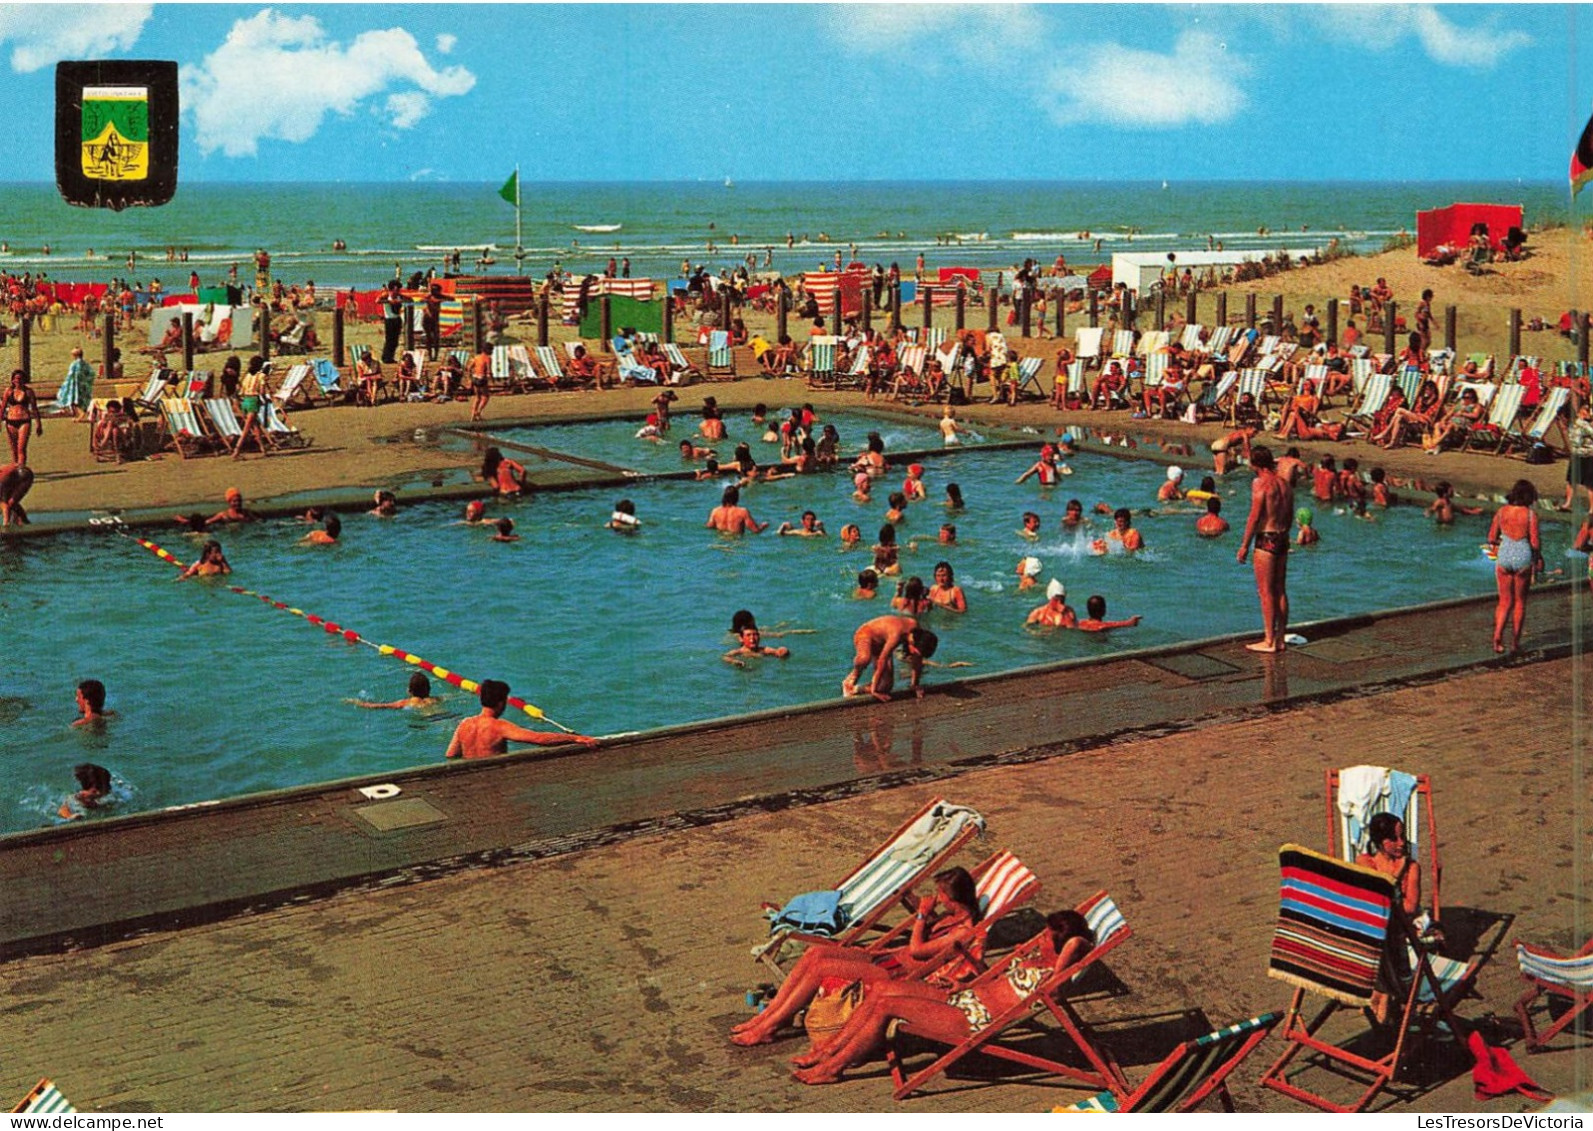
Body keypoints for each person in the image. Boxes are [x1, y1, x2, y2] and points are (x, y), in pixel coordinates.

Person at [788, 909, 1095, 1085]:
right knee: (881, 990)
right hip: (963, 997)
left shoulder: (1055, 976)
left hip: (973, 1020)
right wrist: (962, 986)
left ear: (1063, 946)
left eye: (1046, 937)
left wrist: (1073, 944)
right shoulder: (1035, 958)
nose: (1039, 939)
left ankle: (831, 1069)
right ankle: (827, 1050)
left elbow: (1073, 950)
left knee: (886, 1006)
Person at [731, 866, 988, 1048]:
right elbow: (930, 929)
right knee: (815, 952)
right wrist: (912, 899)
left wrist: (920, 916)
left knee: (822, 968)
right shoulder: (952, 916)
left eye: (942, 894)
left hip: (896, 973)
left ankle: (769, 1027)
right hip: (885, 957)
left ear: (954, 899)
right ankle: (767, 1017)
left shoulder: (963, 932)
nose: (938, 898)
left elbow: (917, 950)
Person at [444, 679, 599, 759]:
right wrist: (575, 738)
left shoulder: (464, 724)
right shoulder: (499, 726)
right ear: (500, 703)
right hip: (494, 776)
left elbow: (450, 755)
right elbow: (539, 738)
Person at [1237, 445, 1293, 652]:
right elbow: (1289, 514)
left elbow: (1254, 516)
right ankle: (1280, 638)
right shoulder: (1285, 485)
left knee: (1265, 592)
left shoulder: (1260, 484)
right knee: (1280, 590)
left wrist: (1244, 545)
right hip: (1282, 537)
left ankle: (1269, 640)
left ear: (1255, 464)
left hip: (1266, 539)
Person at [1487, 479, 1542, 654]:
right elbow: (1534, 542)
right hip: (1522, 554)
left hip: (1505, 553)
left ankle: (1497, 637)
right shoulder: (1530, 515)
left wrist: (1501, 544)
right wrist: (1538, 558)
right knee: (1520, 602)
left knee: (1504, 602)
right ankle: (1515, 643)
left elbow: (1491, 538)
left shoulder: (1502, 511)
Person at [842, 615, 937, 701]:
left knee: (885, 687)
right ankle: (851, 679)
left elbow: (917, 661)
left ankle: (855, 689)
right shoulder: (896, 635)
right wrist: (874, 691)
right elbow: (881, 661)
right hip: (866, 634)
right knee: (864, 658)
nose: (915, 655)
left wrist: (915, 685)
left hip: (882, 644)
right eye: (916, 652)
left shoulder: (917, 633)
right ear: (913, 643)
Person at [1356, 812, 1421, 917]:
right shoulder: (1365, 862)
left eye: (1402, 836)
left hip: (1402, 926)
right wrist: (1398, 873)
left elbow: (1410, 908)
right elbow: (1372, 904)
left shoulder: (1412, 867)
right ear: (1379, 840)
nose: (1401, 843)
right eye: (1393, 839)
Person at [232, 356, 271, 459]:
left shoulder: (247, 376)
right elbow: (262, 392)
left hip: (245, 401)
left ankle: (263, 449)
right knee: (246, 429)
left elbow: (241, 390)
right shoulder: (261, 376)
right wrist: (265, 400)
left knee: (255, 426)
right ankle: (237, 450)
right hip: (253, 401)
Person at [4, 370, 42, 466]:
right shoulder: (8, 391)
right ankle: (16, 469)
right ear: (12, 380)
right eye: (16, 379)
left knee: (21, 448)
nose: (18, 381)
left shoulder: (28, 392)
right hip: (10, 422)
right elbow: (2, 407)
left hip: (24, 421)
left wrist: (39, 424)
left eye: (20, 379)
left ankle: (21, 469)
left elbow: (34, 409)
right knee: (14, 449)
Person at [349, 672, 442, 710]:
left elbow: (380, 706)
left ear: (409, 691)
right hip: (443, 715)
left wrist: (358, 703)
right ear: (429, 689)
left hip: (429, 719)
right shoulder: (435, 699)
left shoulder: (406, 702)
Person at [56, 347, 95, 419]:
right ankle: (76, 414)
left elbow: (70, 375)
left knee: (72, 400)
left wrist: (65, 385)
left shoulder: (74, 364)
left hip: (74, 385)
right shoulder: (85, 364)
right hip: (83, 385)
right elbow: (91, 373)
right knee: (80, 400)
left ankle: (80, 414)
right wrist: (87, 381)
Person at [723, 625, 790, 666]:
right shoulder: (739, 651)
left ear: (759, 637)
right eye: (748, 635)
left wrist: (783, 651)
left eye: (755, 635)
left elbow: (778, 651)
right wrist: (734, 662)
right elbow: (725, 657)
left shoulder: (764, 650)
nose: (752, 638)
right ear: (741, 639)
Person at [1071, 594, 1142, 632]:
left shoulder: (1079, 623)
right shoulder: (1102, 626)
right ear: (1103, 610)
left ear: (1088, 610)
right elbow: (1125, 623)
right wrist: (1132, 621)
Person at [380, 280, 404, 363]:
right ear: (392, 288)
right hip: (389, 319)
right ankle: (386, 357)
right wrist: (390, 301)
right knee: (389, 340)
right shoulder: (386, 295)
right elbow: (377, 301)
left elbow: (409, 299)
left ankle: (391, 357)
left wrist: (399, 301)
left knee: (395, 340)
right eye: (396, 289)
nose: (398, 291)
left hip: (397, 318)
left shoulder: (399, 296)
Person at [468, 345, 492, 421]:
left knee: (477, 397)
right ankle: (478, 412)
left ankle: (473, 415)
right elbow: (489, 371)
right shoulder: (488, 358)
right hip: (482, 378)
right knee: (486, 397)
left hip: (475, 378)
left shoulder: (476, 357)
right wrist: (492, 379)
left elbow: (469, 368)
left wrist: (469, 378)